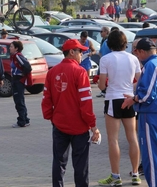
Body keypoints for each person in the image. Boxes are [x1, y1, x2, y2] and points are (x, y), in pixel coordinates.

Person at [41, 39, 100, 187]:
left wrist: (51, 117)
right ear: (72, 52)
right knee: (80, 165)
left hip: (59, 124)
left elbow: (46, 99)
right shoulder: (80, 72)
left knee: (59, 162)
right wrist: (93, 126)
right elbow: (86, 103)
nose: (82, 54)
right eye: (80, 51)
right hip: (79, 127)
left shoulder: (52, 72)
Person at [122, 38, 157, 187]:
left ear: (143, 51)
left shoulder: (151, 66)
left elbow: (148, 94)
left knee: (152, 160)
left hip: (151, 116)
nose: (136, 56)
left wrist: (134, 99)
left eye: (137, 52)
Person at [97, 30, 142, 186]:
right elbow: (140, 81)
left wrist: (103, 85)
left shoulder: (106, 59)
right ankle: (136, 174)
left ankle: (116, 177)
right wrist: (130, 87)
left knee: (113, 140)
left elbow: (102, 85)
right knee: (132, 138)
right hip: (129, 99)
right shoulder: (133, 58)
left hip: (113, 100)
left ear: (109, 43)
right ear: (125, 43)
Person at [10, 41, 32, 128]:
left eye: (11, 46)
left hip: (18, 81)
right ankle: (25, 119)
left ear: (16, 48)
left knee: (19, 101)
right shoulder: (14, 57)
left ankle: (21, 121)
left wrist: (23, 73)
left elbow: (27, 66)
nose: (9, 48)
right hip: (15, 80)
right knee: (19, 100)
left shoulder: (18, 56)